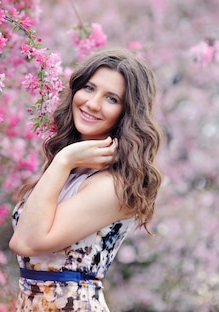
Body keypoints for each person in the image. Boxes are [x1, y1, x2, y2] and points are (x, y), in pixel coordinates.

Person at [9, 49, 163, 311]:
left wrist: (63, 160)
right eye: (89, 88)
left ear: (127, 114)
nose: (92, 103)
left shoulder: (113, 186)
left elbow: (26, 243)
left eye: (111, 98)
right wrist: (64, 161)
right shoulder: (69, 167)